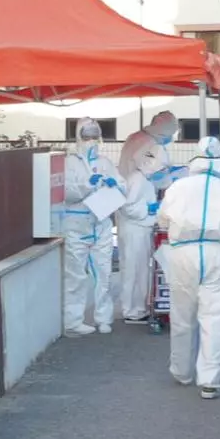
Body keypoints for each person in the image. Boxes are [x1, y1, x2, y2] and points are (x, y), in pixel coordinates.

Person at [157, 137, 220, 400]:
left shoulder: (178, 187)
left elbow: (163, 220)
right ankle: (210, 381)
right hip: (218, 253)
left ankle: (181, 371)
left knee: (182, 316)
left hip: (183, 252)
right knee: (216, 318)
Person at [63, 117, 124, 337]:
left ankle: (104, 318)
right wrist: (87, 185)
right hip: (76, 224)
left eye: (94, 136)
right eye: (87, 136)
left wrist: (115, 185)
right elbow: (66, 192)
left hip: (101, 223)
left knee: (104, 274)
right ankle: (73, 320)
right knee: (75, 276)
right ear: (79, 136)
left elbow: (123, 185)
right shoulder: (69, 163)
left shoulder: (106, 162)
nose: (91, 140)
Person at [118, 139, 171, 324]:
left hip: (140, 229)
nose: (161, 172)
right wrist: (148, 209)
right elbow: (127, 207)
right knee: (133, 271)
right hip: (134, 230)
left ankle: (139, 308)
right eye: (161, 169)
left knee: (140, 271)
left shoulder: (145, 180)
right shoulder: (138, 180)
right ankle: (132, 311)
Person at [119, 111, 187, 189]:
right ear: (166, 131)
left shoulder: (135, 137)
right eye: (171, 134)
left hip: (125, 184)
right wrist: (171, 178)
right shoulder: (153, 145)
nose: (171, 137)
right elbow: (154, 176)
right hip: (139, 189)